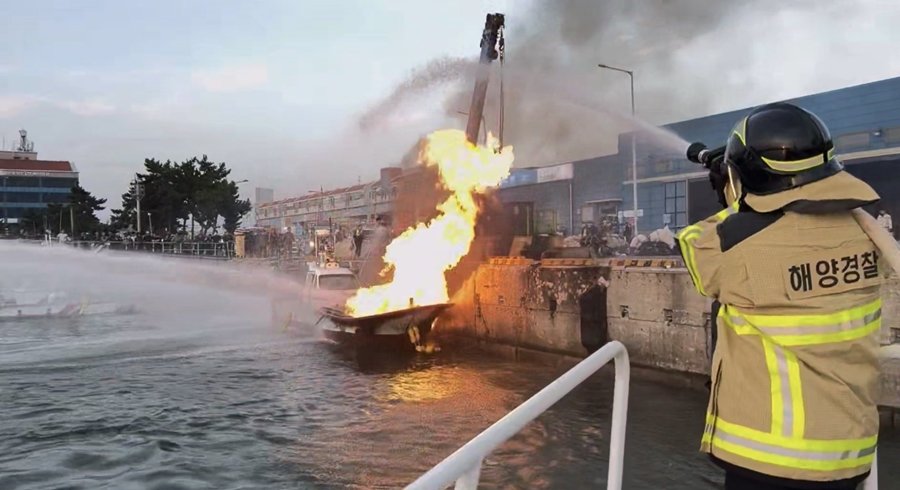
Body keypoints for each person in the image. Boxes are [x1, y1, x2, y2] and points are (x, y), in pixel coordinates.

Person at [676, 102, 883, 490]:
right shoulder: (864, 235)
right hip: (848, 452)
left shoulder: (741, 253)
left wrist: (733, 191)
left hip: (770, 461)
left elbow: (694, 245)